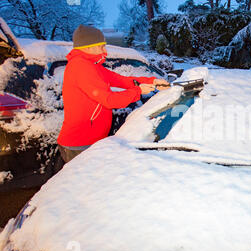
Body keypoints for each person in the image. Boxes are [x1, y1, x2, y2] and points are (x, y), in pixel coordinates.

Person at [57, 24, 170, 163]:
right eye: (101, 46)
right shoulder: (81, 67)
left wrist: (152, 80)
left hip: (90, 140)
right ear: (88, 47)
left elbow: (121, 80)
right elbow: (109, 100)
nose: (105, 50)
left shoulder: (92, 66)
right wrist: (138, 91)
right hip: (80, 143)